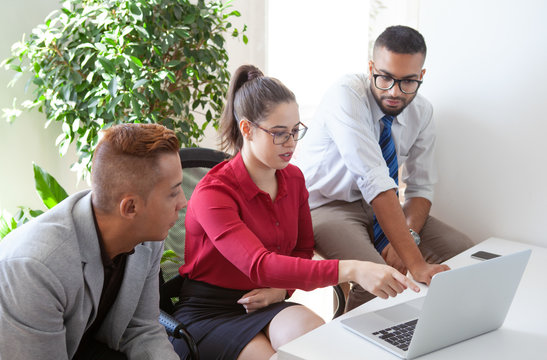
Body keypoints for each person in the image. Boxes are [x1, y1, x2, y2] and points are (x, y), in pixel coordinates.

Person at [170, 64, 420, 360]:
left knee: (319, 347)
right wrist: (353, 268)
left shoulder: (294, 179)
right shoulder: (214, 192)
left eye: (295, 131)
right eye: (278, 134)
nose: (290, 144)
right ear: (247, 129)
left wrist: (282, 290)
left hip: (267, 300)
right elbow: (259, 265)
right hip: (208, 311)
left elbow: (301, 250)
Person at [292, 25, 475, 312]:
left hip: (382, 205)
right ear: (370, 68)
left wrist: (409, 234)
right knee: (381, 281)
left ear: (421, 76)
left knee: (463, 251)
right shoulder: (346, 94)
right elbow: (374, 179)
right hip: (325, 206)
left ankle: (435, 335)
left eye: (408, 82)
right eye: (385, 78)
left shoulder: (422, 112)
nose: (394, 92)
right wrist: (415, 262)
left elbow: (420, 187)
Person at [0, 123, 186, 360]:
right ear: (130, 207)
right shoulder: (34, 268)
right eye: (173, 192)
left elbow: (141, 328)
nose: (183, 202)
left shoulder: (146, 238)